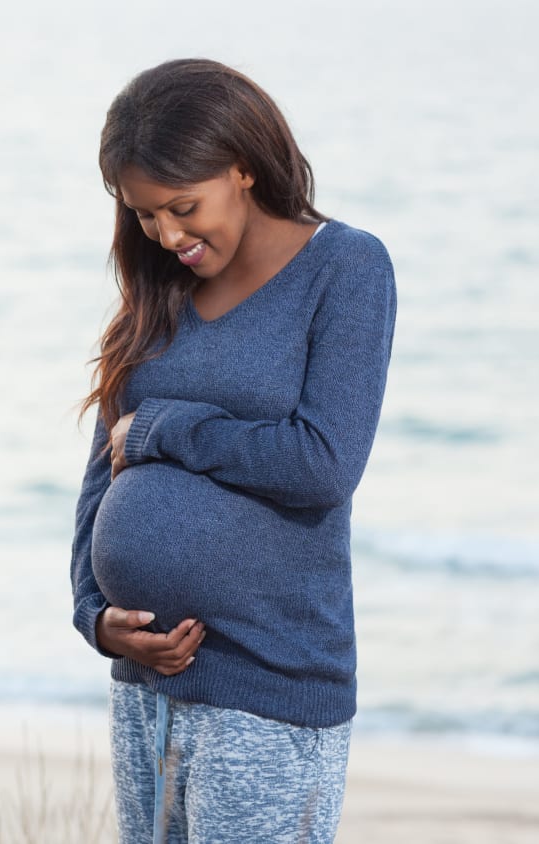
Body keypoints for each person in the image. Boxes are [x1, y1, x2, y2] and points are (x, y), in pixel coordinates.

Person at [70, 58, 397, 843]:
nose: (168, 235)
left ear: (244, 166)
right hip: (145, 686)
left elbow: (322, 464)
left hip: (268, 687)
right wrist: (94, 616)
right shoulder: (157, 295)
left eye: (184, 207)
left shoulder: (345, 270)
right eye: (146, 215)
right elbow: (98, 477)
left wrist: (165, 429)